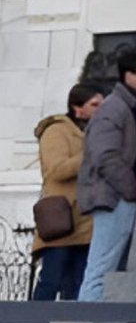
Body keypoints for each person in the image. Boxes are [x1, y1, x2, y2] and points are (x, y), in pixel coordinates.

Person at [77, 49, 136, 302]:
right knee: (102, 270)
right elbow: (105, 155)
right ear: (128, 75)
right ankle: (85, 322)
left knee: (117, 274)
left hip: (129, 197)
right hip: (115, 198)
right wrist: (131, 190)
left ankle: (103, 321)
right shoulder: (113, 108)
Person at [32, 83, 104, 300]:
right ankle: (34, 320)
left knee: (78, 284)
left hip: (87, 221)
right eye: (94, 104)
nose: (101, 109)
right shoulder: (57, 131)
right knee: (51, 280)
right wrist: (90, 155)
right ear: (77, 108)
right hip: (62, 220)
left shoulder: (94, 131)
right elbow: (57, 170)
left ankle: (70, 322)